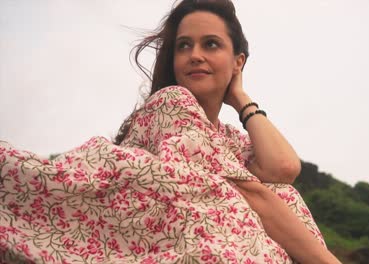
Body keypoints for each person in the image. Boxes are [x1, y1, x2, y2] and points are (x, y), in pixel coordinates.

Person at [0, 0, 340, 263]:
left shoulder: (230, 140)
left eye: (210, 45)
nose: (194, 55)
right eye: (183, 46)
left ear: (238, 61)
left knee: (283, 194)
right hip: (166, 246)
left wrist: (240, 98)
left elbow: (282, 170)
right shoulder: (171, 102)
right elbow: (253, 197)